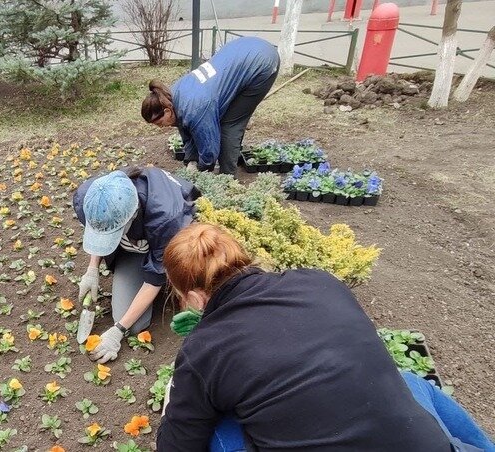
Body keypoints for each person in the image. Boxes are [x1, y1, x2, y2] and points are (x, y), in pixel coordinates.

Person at [157, 223, 495, 452]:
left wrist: (181, 389)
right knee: (409, 381)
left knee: (217, 430)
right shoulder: (319, 281)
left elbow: (176, 444)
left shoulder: (204, 348)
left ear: (197, 299)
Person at [72, 167, 199, 364]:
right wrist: (92, 270)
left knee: (133, 325)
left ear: (132, 215)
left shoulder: (166, 219)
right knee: (127, 316)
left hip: (171, 243)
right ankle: (138, 262)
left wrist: (117, 331)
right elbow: (99, 228)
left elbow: (154, 280)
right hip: (137, 243)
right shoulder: (90, 197)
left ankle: (172, 284)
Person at [142, 36, 280, 175]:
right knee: (221, 118)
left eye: (159, 122)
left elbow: (209, 150)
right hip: (243, 49)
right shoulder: (170, 95)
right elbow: (185, 127)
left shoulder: (195, 108)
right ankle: (231, 158)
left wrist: (202, 171)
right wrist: (191, 160)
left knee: (230, 125)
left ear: (167, 111)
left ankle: (227, 177)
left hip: (261, 63)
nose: (160, 126)